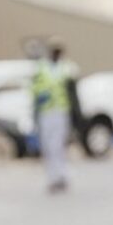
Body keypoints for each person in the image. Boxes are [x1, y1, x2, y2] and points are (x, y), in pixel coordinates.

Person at [31, 38, 75, 192]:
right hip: (46, 112)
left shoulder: (66, 69)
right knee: (48, 147)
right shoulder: (41, 68)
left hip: (60, 111)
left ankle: (61, 176)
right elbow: (34, 90)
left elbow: (72, 93)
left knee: (58, 146)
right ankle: (52, 178)